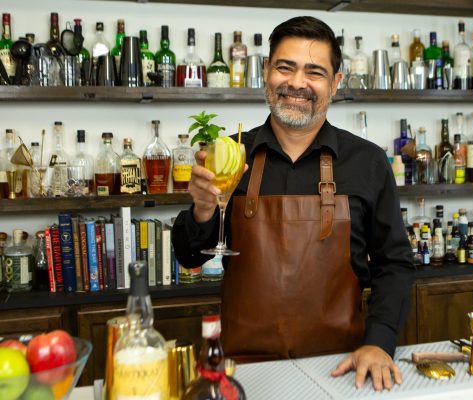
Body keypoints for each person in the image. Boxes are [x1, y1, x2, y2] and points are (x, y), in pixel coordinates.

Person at [172, 16, 415, 391]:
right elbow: (190, 257)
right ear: (266, 72)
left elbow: (394, 263)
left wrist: (378, 342)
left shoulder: (367, 162)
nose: (297, 83)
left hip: (341, 367)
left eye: (314, 72)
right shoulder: (231, 153)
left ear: (335, 83)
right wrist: (203, 210)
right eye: (285, 67)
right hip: (243, 370)